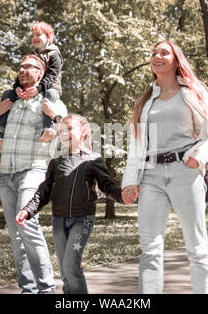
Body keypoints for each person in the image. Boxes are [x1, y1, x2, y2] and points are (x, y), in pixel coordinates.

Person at [121, 41, 208, 294]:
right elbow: (136, 144)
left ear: (176, 60)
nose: (156, 56)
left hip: (184, 172)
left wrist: (197, 158)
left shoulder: (194, 91)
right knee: (150, 249)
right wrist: (129, 181)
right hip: (151, 175)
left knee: (197, 247)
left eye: (163, 52)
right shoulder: (145, 100)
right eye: (153, 53)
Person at [16, 114, 131, 294]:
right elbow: (44, 191)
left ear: (83, 132)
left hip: (82, 219)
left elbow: (106, 185)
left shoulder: (93, 160)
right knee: (65, 271)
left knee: (71, 266)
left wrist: (122, 196)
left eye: (69, 128)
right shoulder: (56, 162)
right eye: (61, 130)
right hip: (59, 221)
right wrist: (28, 210)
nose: (64, 133)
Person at [0, 54, 67, 294]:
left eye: (29, 66)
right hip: (6, 174)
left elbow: (67, 133)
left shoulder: (49, 97)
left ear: (41, 72)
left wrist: (54, 116)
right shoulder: (9, 99)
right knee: (15, 234)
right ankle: (28, 289)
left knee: (26, 225)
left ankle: (46, 289)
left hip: (32, 170)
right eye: (20, 66)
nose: (22, 70)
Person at [0, 21, 63, 143]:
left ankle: (48, 127)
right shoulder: (32, 56)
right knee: (7, 94)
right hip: (32, 87)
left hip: (49, 87)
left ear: (48, 37)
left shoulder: (54, 55)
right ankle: (1, 129)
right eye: (33, 35)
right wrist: (17, 88)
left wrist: (38, 88)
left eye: (39, 35)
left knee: (50, 95)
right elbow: (20, 75)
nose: (35, 38)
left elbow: (52, 75)